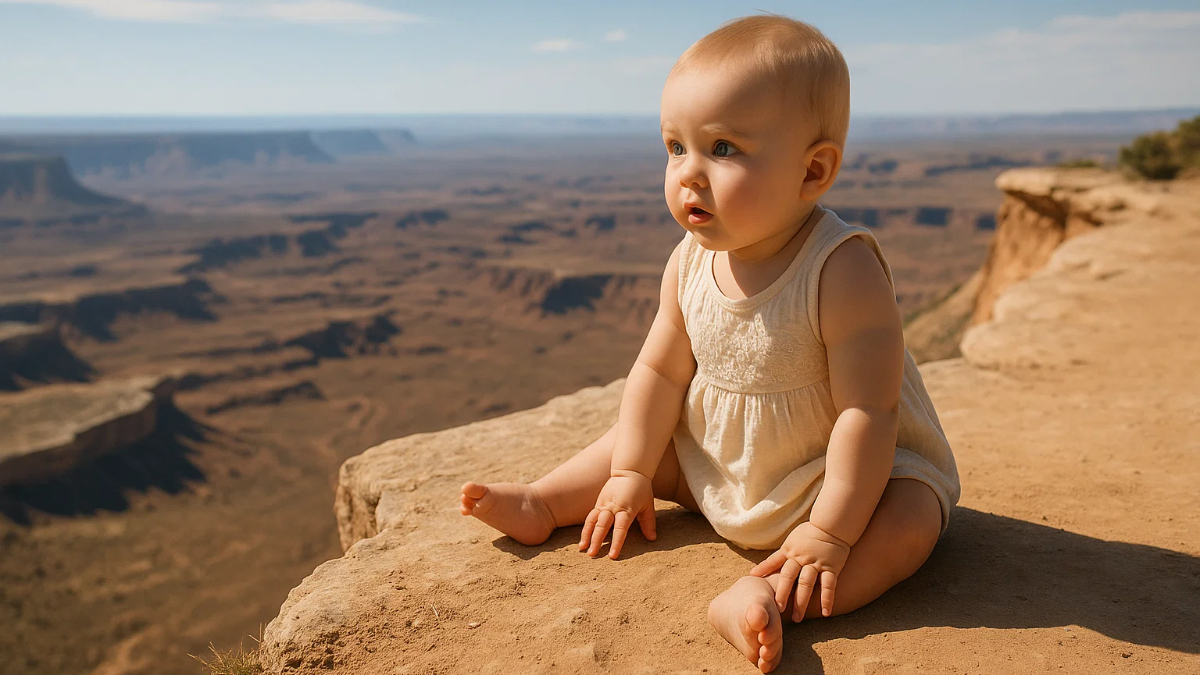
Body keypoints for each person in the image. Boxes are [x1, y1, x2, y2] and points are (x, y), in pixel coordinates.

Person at [459, 14, 960, 673]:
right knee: (644, 440)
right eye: (675, 147)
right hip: (726, 465)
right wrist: (632, 473)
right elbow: (659, 372)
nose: (689, 173)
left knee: (912, 521)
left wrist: (829, 531)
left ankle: (768, 597)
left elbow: (870, 414)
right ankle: (545, 500)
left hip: (842, 481)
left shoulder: (842, 269)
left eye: (722, 149)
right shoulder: (689, 261)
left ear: (813, 171)